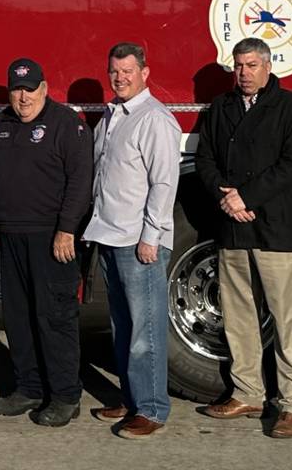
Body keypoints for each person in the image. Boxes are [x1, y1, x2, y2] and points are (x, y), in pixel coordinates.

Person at [193, 37, 292, 438]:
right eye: (238, 66)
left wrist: (247, 195)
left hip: (275, 228)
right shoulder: (220, 109)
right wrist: (225, 197)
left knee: (286, 320)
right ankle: (248, 391)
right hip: (232, 226)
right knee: (239, 315)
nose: (244, 73)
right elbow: (205, 158)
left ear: (267, 66)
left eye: (251, 65)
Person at [0, 57, 92, 427]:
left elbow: (80, 181)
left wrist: (66, 229)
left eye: (30, 89)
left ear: (45, 88)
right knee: (18, 317)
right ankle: (28, 387)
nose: (23, 97)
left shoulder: (66, 125)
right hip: (11, 236)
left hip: (51, 239)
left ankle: (64, 395)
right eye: (17, 89)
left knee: (55, 317)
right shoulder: (2, 126)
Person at [84, 41, 180, 439]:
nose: (120, 78)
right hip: (109, 235)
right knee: (122, 328)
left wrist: (151, 236)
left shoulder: (154, 119)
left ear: (145, 72)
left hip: (138, 241)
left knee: (146, 331)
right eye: (114, 71)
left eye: (127, 71)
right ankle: (131, 398)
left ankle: (153, 408)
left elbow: (163, 182)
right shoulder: (112, 116)